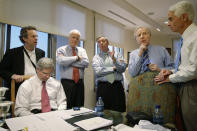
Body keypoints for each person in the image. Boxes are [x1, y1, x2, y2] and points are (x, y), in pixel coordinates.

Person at [155, 1, 197, 130]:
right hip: (184, 85)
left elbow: (194, 70)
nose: (168, 23)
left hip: (192, 87)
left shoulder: (195, 36)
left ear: (184, 17)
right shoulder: (183, 39)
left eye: (171, 19)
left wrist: (170, 78)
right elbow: (185, 66)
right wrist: (171, 72)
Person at [127, 27, 176, 124]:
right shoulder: (133, 54)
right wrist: (140, 54)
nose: (142, 37)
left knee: (160, 120)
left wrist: (160, 69)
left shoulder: (161, 50)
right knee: (138, 120)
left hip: (159, 90)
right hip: (138, 93)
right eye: (139, 35)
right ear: (136, 39)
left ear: (150, 36)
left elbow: (174, 68)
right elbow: (132, 73)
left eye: (145, 33)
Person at [0, 26, 45, 100]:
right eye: (33, 36)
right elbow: (2, 70)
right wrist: (12, 75)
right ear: (24, 38)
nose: (36, 38)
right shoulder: (12, 53)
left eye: (37, 36)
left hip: (36, 89)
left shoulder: (41, 53)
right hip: (18, 89)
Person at [92, 36, 127, 112]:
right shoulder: (96, 57)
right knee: (103, 112)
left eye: (103, 41)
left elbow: (122, 69)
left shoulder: (118, 55)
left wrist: (114, 60)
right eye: (99, 42)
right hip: (103, 87)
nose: (101, 43)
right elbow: (98, 72)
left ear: (107, 42)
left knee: (119, 111)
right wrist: (113, 68)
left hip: (116, 87)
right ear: (98, 44)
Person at [56, 29, 89, 109]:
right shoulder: (61, 49)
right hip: (67, 83)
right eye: (73, 37)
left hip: (80, 83)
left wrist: (68, 61)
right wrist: (76, 58)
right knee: (66, 106)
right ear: (69, 38)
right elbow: (61, 61)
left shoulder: (82, 50)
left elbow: (86, 63)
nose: (75, 40)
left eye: (77, 38)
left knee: (80, 107)